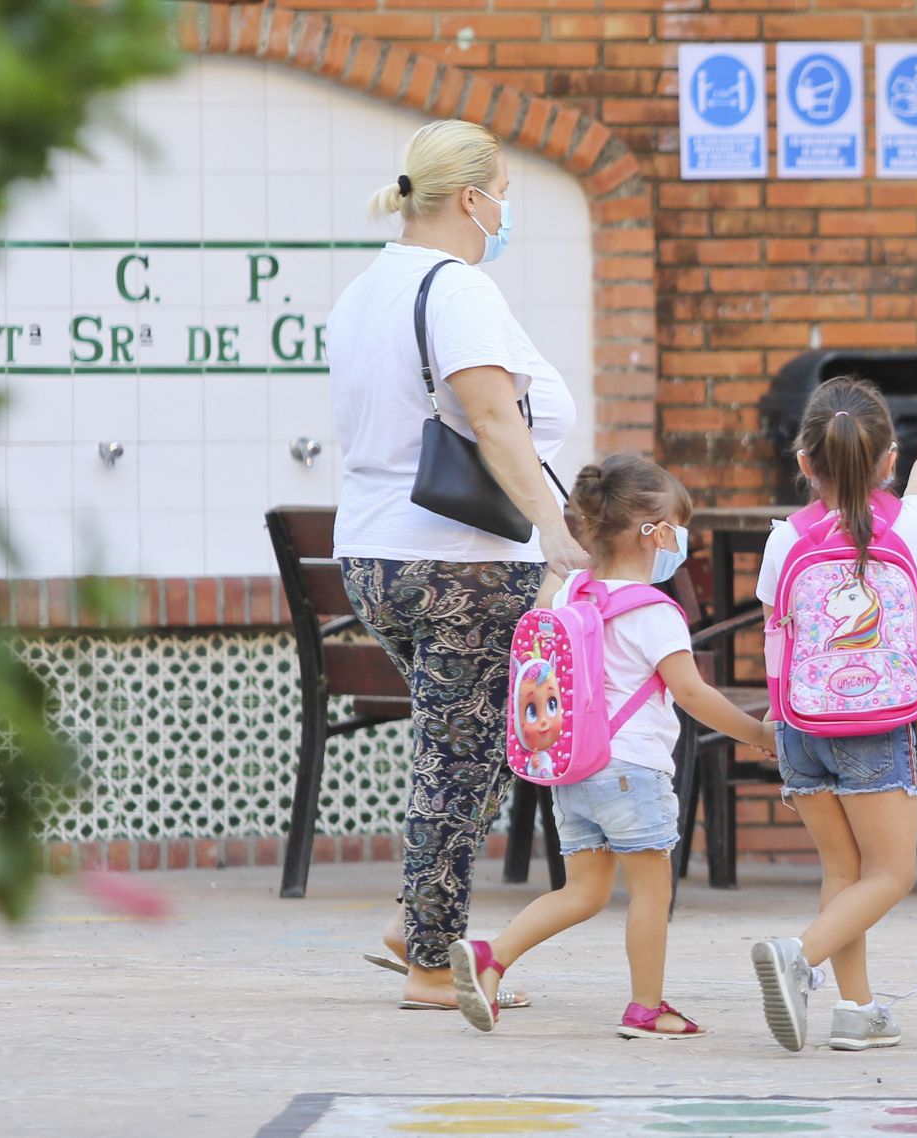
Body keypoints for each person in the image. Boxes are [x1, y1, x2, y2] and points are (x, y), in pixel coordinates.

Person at [327, 118, 589, 1011]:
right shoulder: (456, 287)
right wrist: (552, 525)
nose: (507, 208)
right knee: (463, 750)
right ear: (472, 199)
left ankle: (417, 922)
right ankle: (435, 968)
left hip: (374, 554)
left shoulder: (365, 290)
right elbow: (492, 416)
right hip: (457, 560)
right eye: (504, 191)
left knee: (476, 743)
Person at [447, 455, 779, 1037]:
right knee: (651, 889)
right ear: (653, 533)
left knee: (582, 890)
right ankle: (645, 1007)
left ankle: (490, 959)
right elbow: (691, 693)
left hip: (573, 767)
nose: (684, 541)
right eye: (678, 528)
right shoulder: (655, 612)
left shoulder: (570, 591)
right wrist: (756, 734)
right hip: (633, 771)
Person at [750, 377, 917, 1052]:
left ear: (804, 461)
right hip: (874, 728)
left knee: (844, 875)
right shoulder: (907, 526)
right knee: (891, 874)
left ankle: (858, 1009)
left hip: (800, 726)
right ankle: (798, 956)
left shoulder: (786, 540)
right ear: (887, 461)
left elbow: (775, 633)